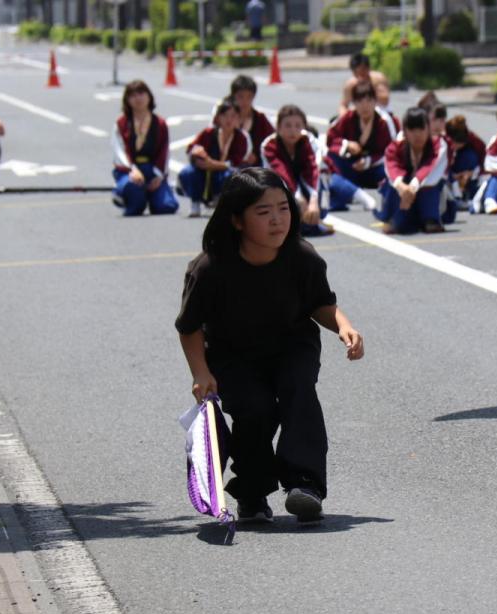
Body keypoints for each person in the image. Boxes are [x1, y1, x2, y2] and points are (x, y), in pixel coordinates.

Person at [176, 167, 364, 524]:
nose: (278, 220)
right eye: (263, 212)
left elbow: (320, 304)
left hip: (292, 344)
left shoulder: (302, 256)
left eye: (283, 208)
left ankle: (305, 484)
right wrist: (200, 371)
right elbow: (188, 328)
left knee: (299, 391)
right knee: (255, 409)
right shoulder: (209, 269)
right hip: (233, 355)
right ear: (236, 220)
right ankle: (252, 491)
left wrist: (344, 326)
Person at [375, 107, 448, 235]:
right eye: (412, 129)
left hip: (429, 197)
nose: (417, 134)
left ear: (428, 129)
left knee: (432, 183)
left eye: (421, 129)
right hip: (403, 196)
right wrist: (402, 187)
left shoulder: (438, 144)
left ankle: (431, 220)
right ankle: (395, 218)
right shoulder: (395, 147)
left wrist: (412, 187)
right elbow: (392, 169)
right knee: (390, 185)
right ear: (405, 131)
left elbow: (431, 168)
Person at [262, 105, 332, 236]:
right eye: (287, 125)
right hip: (280, 185)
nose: (293, 130)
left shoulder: (310, 141)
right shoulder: (269, 145)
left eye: (298, 126)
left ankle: (313, 221)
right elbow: (281, 172)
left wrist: (313, 201)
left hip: (305, 183)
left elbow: (313, 171)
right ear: (278, 127)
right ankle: (293, 224)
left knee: (323, 181)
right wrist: (299, 199)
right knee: (283, 198)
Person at [112, 80, 178, 216]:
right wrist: (133, 170)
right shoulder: (121, 123)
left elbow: (164, 152)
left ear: (149, 96)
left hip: (152, 170)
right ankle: (124, 194)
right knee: (134, 205)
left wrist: (159, 176)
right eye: (133, 95)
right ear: (127, 100)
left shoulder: (160, 123)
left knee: (166, 206)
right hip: (130, 171)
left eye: (141, 93)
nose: (138, 98)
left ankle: (152, 196)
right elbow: (120, 151)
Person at [324, 81, 390, 212]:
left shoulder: (384, 121)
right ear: (354, 103)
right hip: (351, 167)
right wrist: (346, 144)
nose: (364, 106)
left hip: (375, 168)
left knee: (389, 172)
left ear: (375, 101)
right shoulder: (347, 118)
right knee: (331, 163)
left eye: (369, 101)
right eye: (359, 101)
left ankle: (350, 192)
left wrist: (368, 161)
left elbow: (391, 151)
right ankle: (352, 193)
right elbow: (330, 140)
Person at [180, 97, 251, 216]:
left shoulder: (241, 138)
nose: (229, 120)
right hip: (205, 170)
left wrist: (212, 164)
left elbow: (235, 162)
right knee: (188, 172)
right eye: (225, 115)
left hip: (224, 172)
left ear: (239, 119)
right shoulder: (208, 133)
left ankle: (224, 201)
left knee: (233, 175)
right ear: (218, 118)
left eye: (233, 116)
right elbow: (191, 148)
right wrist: (197, 153)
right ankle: (195, 202)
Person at [230, 75, 274, 166]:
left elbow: (272, 143)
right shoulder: (225, 117)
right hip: (229, 165)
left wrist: (257, 156)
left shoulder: (260, 119)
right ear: (233, 96)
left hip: (255, 167)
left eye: (249, 97)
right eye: (240, 97)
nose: (245, 101)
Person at [444, 115, 487, 206]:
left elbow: (484, 164)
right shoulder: (443, 141)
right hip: (449, 173)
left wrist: (471, 173)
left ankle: (470, 194)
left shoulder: (476, 142)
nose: (454, 147)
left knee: (470, 157)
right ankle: (456, 195)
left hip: (468, 172)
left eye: (457, 145)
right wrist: (454, 176)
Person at [339, 52, 388, 119]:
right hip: (359, 113)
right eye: (357, 73)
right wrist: (344, 118)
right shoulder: (350, 84)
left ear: (368, 68)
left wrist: (372, 87)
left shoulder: (378, 79)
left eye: (363, 72)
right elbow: (343, 105)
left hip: (379, 112)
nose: (360, 77)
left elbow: (385, 101)